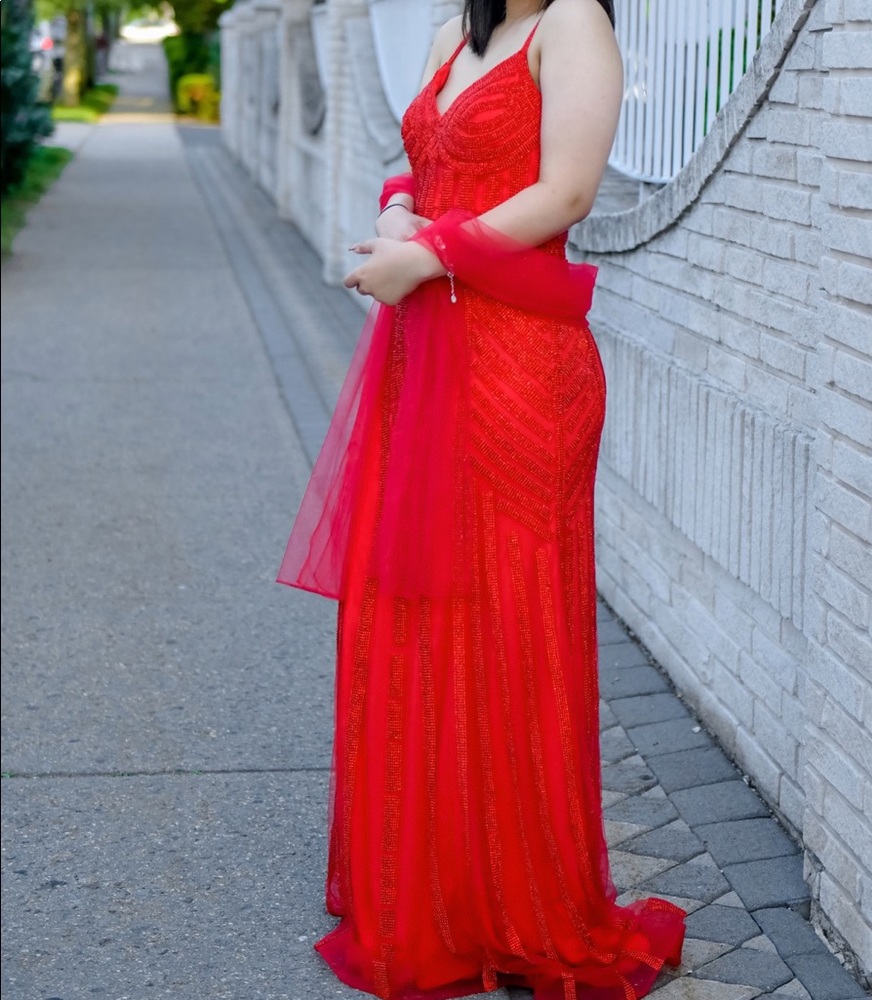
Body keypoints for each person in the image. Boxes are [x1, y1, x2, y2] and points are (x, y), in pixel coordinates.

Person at [278, 1, 686, 997]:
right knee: (417, 610)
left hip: (519, 370)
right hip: (427, 356)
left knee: (507, 621)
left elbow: (567, 191)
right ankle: (432, 880)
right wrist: (391, 218)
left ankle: (518, 896)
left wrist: (433, 253)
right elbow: (417, 164)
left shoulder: (574, 23)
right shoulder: (455, 33)